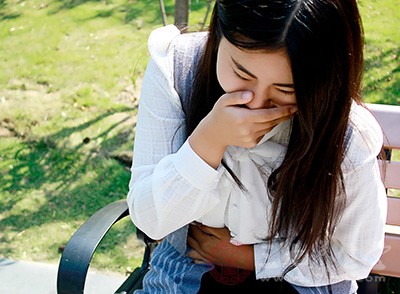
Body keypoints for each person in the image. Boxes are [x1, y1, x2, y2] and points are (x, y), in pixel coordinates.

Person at [127, 0, 387, 293]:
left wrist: (251, 257)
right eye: (241, 74)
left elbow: (356, 255)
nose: (256, 103)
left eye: (286, 90)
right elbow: (151, 221)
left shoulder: (349, 135)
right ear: (219, 32)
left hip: (305, 280)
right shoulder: (176, 68)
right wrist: (208, 141)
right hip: (187, 268)